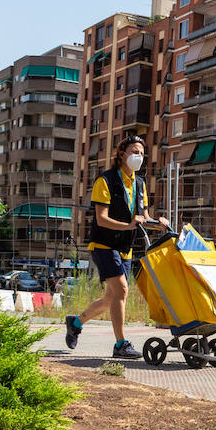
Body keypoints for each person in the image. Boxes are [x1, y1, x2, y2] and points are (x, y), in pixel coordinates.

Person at [64, 136, 159, 359]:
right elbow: (101, 218)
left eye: (142, 153)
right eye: (135, 152)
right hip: (104, 244)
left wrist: (157, 222)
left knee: (111, 298)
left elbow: (143, 216)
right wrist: (128, 225)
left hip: (125, 247)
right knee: (123, 290)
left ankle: (75, 322)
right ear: (122, 154)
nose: (139, 157)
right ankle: (120, 345)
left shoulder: (140, 183)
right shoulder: (105, 181)